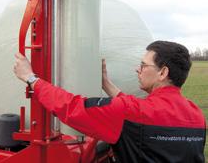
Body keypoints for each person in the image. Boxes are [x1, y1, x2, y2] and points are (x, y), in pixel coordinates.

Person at [14, 40, 206, 162]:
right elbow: (138, 113)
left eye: (143, 65)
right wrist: (106, 84)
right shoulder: (197, 116)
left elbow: (73, 108)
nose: (137, 70)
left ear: (163, 72)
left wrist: (32, 79)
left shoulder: (129, 112)